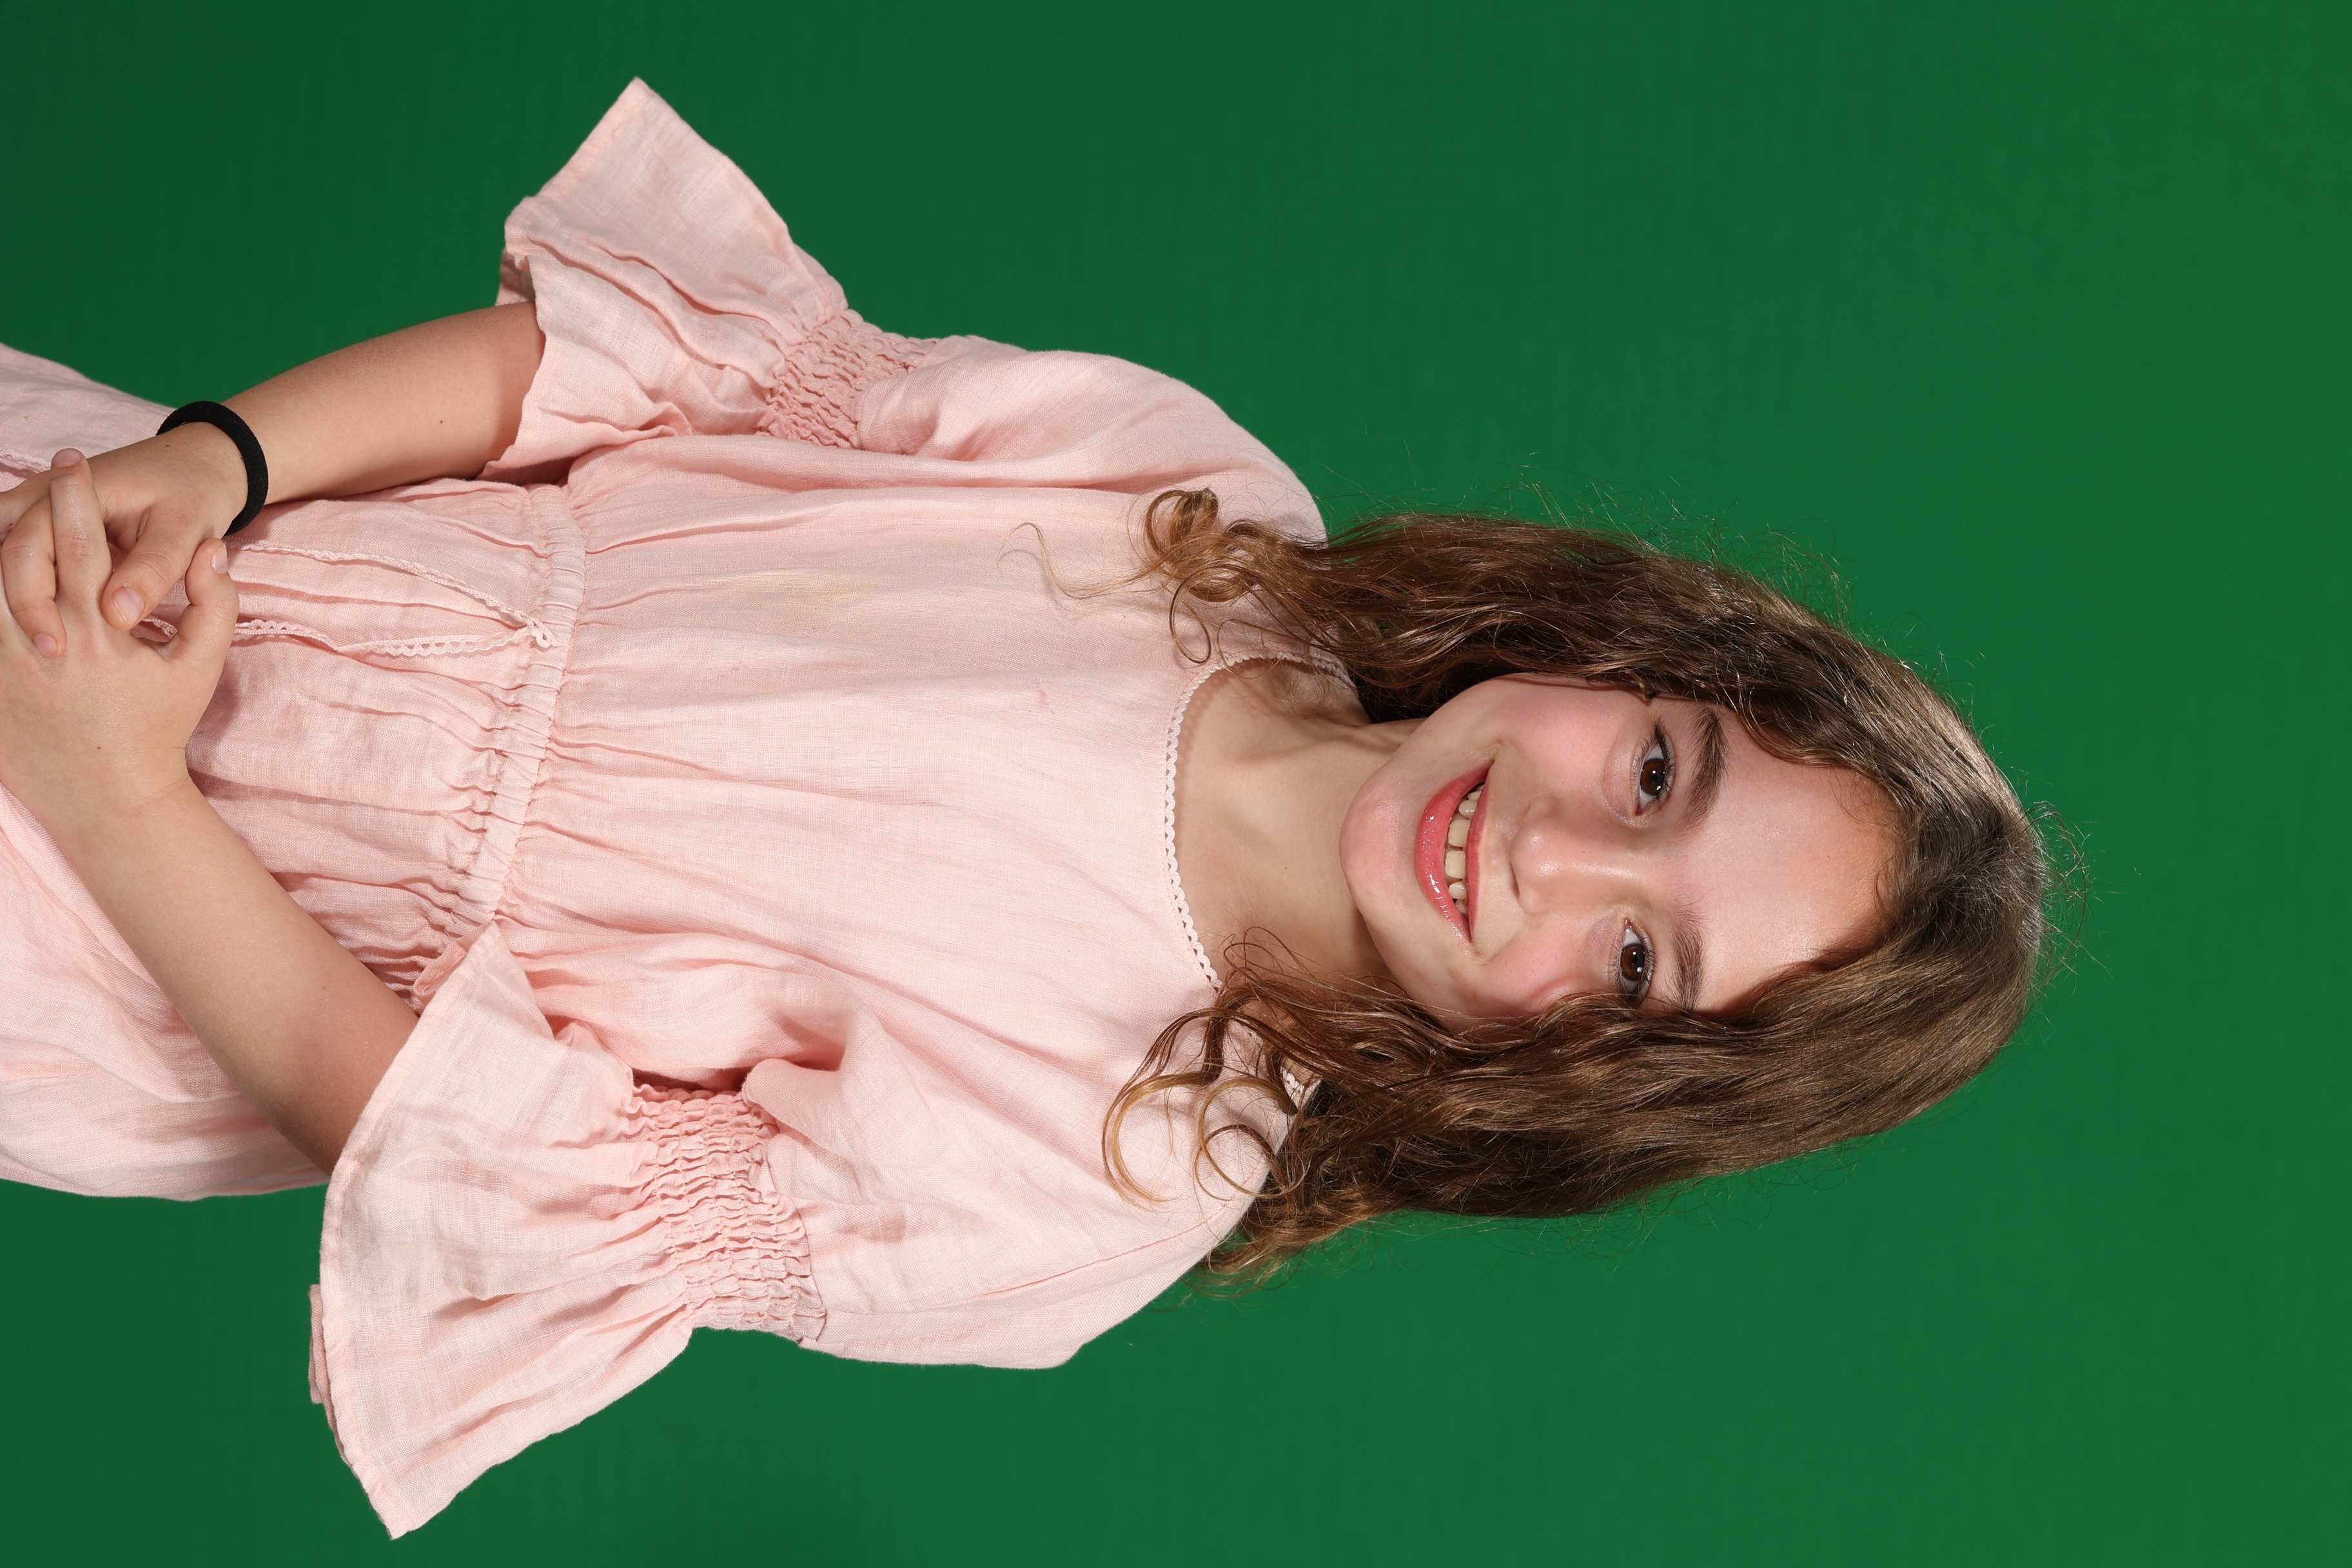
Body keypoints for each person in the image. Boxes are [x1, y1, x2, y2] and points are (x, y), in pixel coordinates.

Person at [0, 82, 2049, 1534]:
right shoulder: (1197, 512)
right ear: (1626, 656)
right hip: (103, 548)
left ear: (1592, 1087)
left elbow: (468, 1153)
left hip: (99, 922)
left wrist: (111, 788)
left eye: (1635, 959)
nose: (1549, 850)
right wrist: (215, 463)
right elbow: (610, 382)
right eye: (1659, 774)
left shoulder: (1106, 1176)